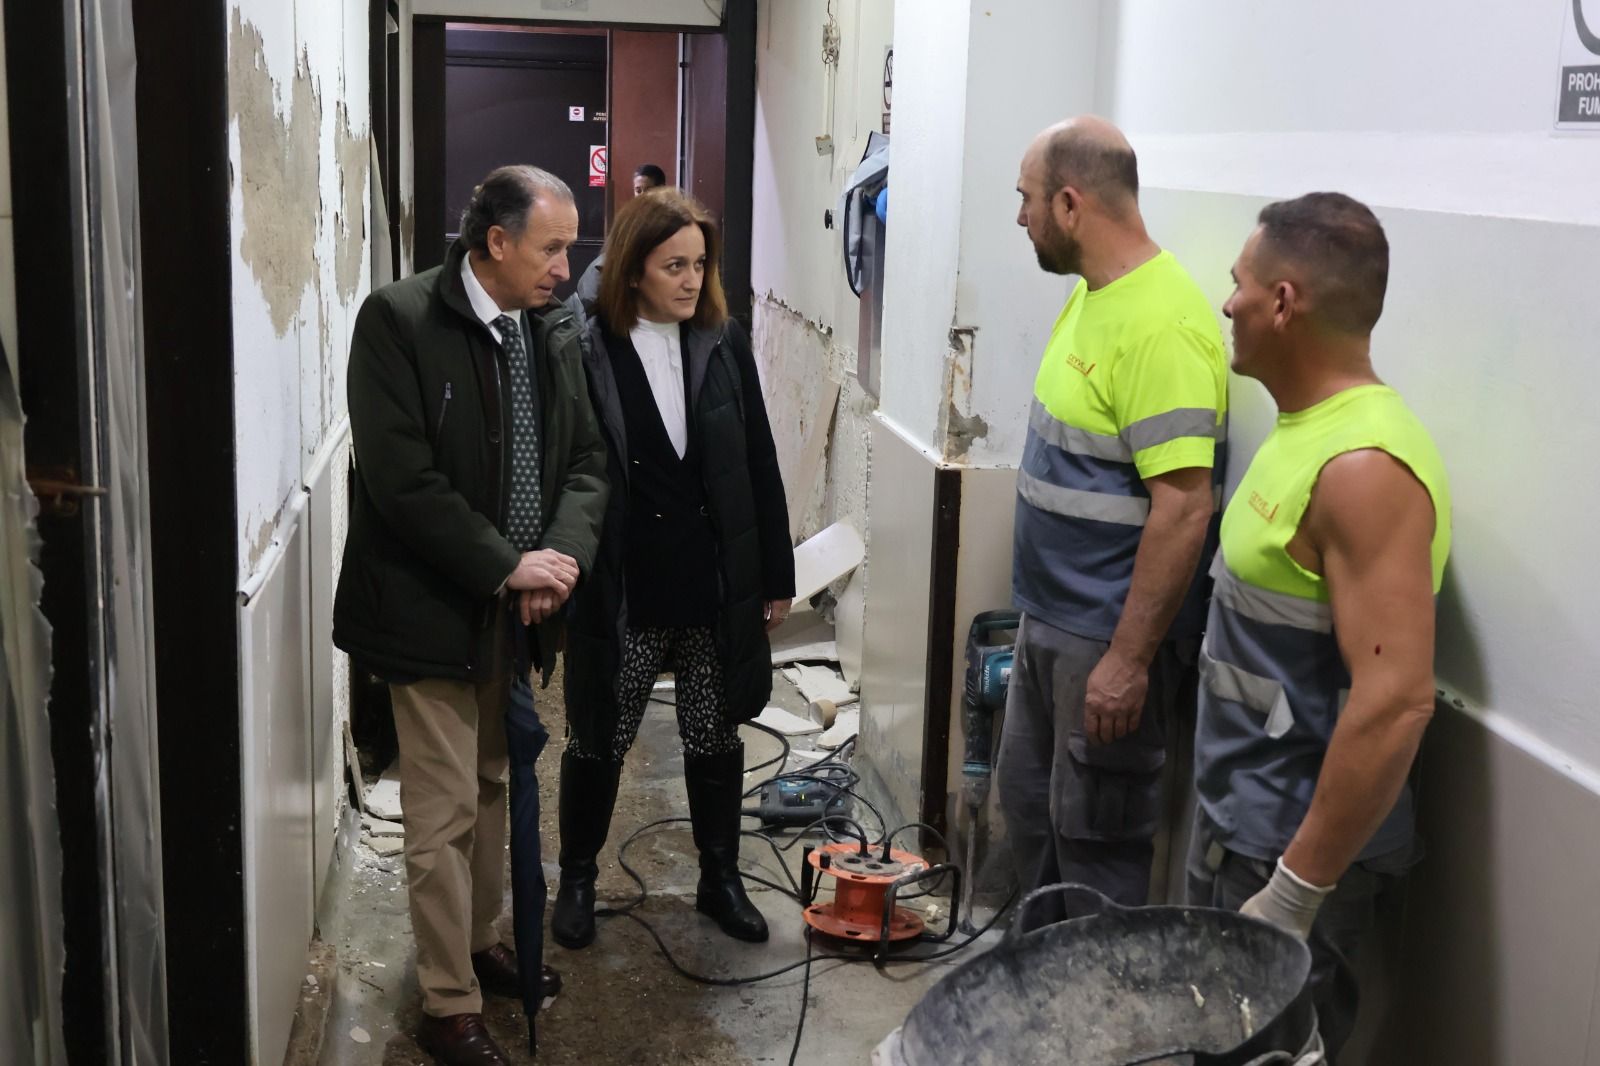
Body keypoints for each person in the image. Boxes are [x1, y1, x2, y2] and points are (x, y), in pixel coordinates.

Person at [333, 165, 609, 1066]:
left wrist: (552, 565)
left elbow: (586, 462)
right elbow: (401, 479)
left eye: (569, 248)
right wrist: (502, 564)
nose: (566, 268)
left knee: (495, 786)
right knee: (442, 811)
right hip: (428, 610)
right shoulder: (399, 322)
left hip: (517, 611)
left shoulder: (549, 332)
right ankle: (448, 1002)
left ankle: (482, 938)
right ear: (495, 242)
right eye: (552, 248)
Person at [1190, 192, 1450, 1062]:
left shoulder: (1364, 468)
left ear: (1284, 302)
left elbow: (1397, 701)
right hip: (1243, 832)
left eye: (1239, 284)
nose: (1228, 302)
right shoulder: (1303, 430)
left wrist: (1295, 894)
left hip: (1290, 863)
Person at [997, 116, 1229, 913]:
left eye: (1025, 199)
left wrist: (1128, 661)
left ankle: (1093, 1034)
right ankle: (1034, 1015)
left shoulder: (1161, 325)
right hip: (1050, 624)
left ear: (1069, 204)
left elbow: (1185, 506)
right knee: (1032, 821)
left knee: (1095, 856)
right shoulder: (1094, 299)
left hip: (1104, 642)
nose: (1018, 216)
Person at [551, 189, 794, 950]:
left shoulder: (724, 341)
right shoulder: (584, 345)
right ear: (632, 271)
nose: (692, 281)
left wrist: (776, 576)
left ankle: (719, 879)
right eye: (674, 266)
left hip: (711, 578)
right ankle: (580, 878)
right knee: (600, 733)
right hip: (625, 582)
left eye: (698, 264)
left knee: (714, 731)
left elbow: (758, 459)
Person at [576, 163, 669, 312]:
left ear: (662, 189)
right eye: (638, 191)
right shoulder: (627, 220)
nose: (643, 196)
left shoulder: (673, 223)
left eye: (649, 190)